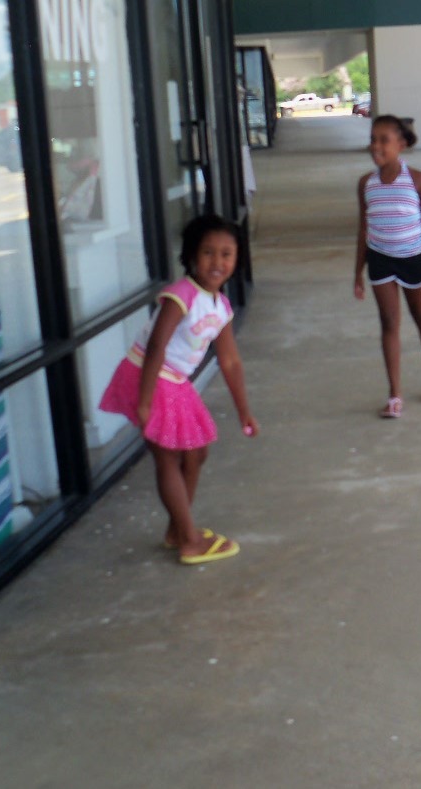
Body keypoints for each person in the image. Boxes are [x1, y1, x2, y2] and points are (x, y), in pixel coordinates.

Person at [99, 214, 259, 565]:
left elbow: (230, 361)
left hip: (175, 382)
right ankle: (189, 540)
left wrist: (244, 410)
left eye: (226, 254)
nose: (217, 262)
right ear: (191, 256)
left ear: (237, 259)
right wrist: (144, 403)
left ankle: (177, 529)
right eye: (208, 252)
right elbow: (156, 346)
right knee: (168, 456)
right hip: (150, 376)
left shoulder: (220, 305)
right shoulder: (180, 295)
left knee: (196, 453)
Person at [353, 114, 421, 418]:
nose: (376, 146)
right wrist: (357, 273)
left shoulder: (417, 180)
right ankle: (394, 394)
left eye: (384, 140)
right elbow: (363, 229)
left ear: (401, 144)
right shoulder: (366, 183)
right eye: (373, 140)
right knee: (389, 323)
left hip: (412, 259)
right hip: (380, 260)